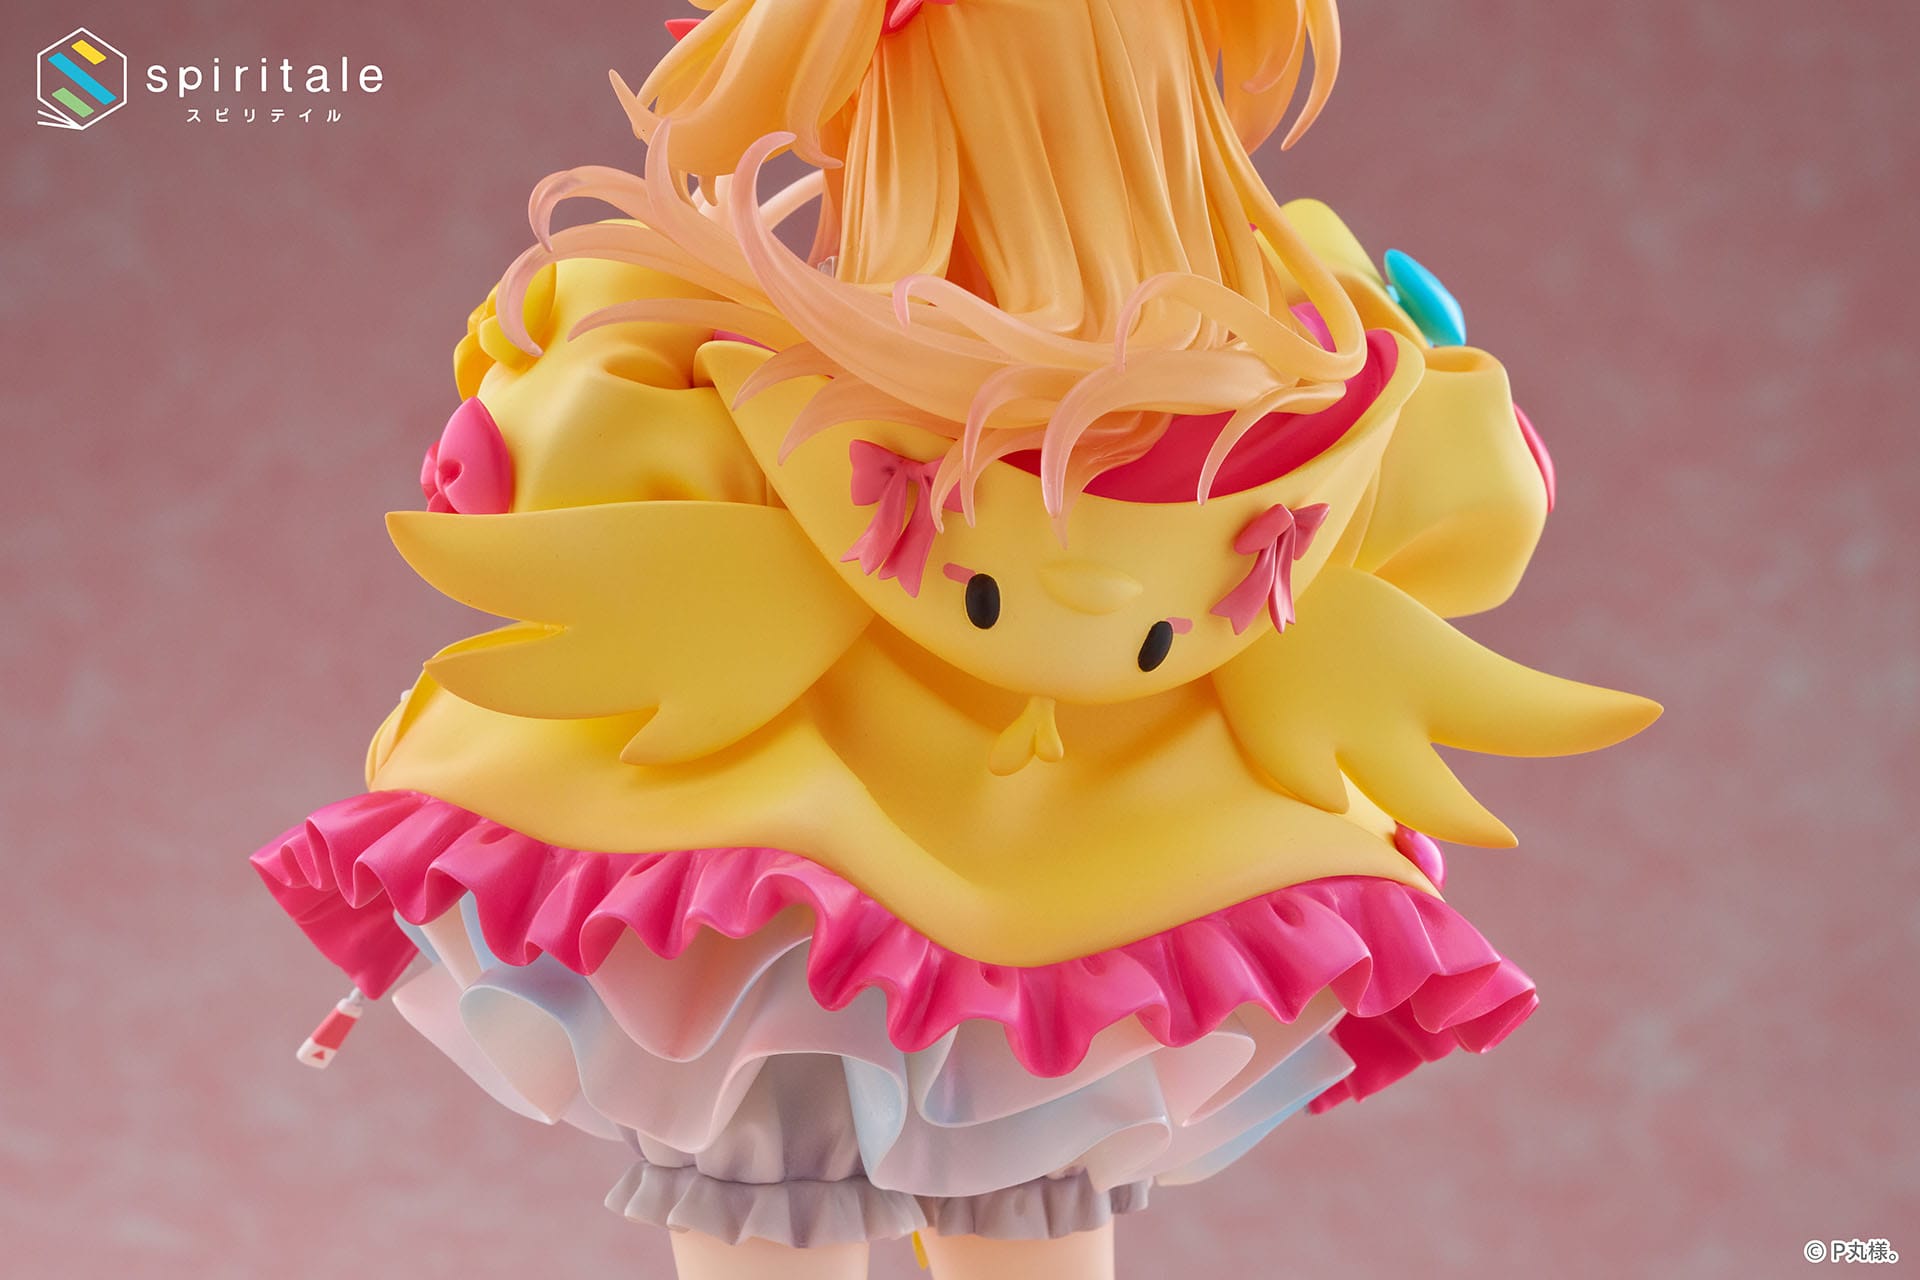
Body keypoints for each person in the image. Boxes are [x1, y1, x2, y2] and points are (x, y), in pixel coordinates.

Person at [253, 2, 1659, 1277]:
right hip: (1114, 851)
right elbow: (1481, 514)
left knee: (773, 1173)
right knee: (1035, 1179)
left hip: (801, 864)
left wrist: (566, 350)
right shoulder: (1327, 388)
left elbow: (546, 478)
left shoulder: (761, 379)